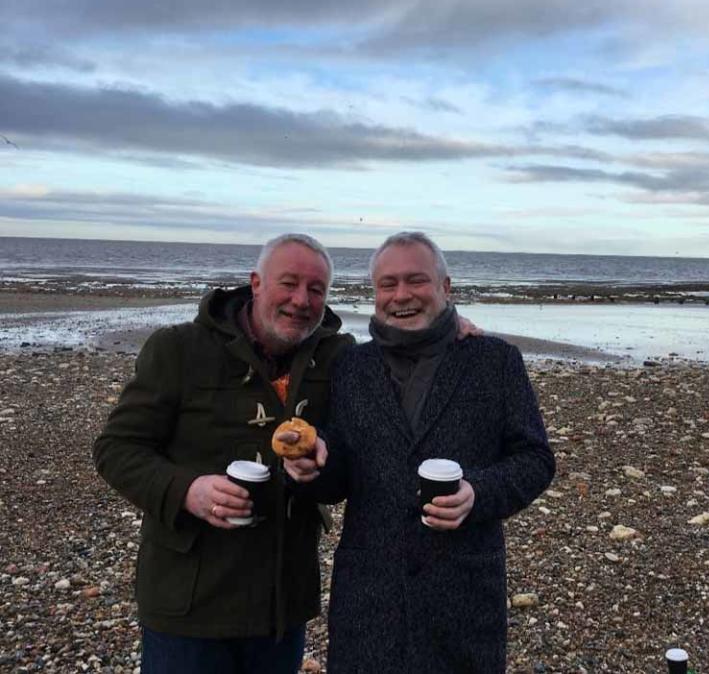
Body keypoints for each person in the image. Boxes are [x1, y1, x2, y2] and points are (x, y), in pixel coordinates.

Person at [287, 231, 555, 673]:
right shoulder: (351, 367)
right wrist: (313, 465)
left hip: (463, 599)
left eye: (417, 280)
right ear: (375, 293)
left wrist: (478, 493)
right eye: (388, 284)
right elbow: (340, 478)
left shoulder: (495, 361)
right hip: (368, 600)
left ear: (445, 288)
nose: (401, 295)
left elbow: (535, 458)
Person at [92, 234, 352, 673]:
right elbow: (117, 448)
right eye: (288, 283)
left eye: (316, 289)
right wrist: (186, 489)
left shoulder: (339, 358)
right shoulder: (179, 349)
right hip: (189, 600)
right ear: (255, 283)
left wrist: (457, 329)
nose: (301, 300)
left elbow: (353, 455)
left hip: (281, 601)